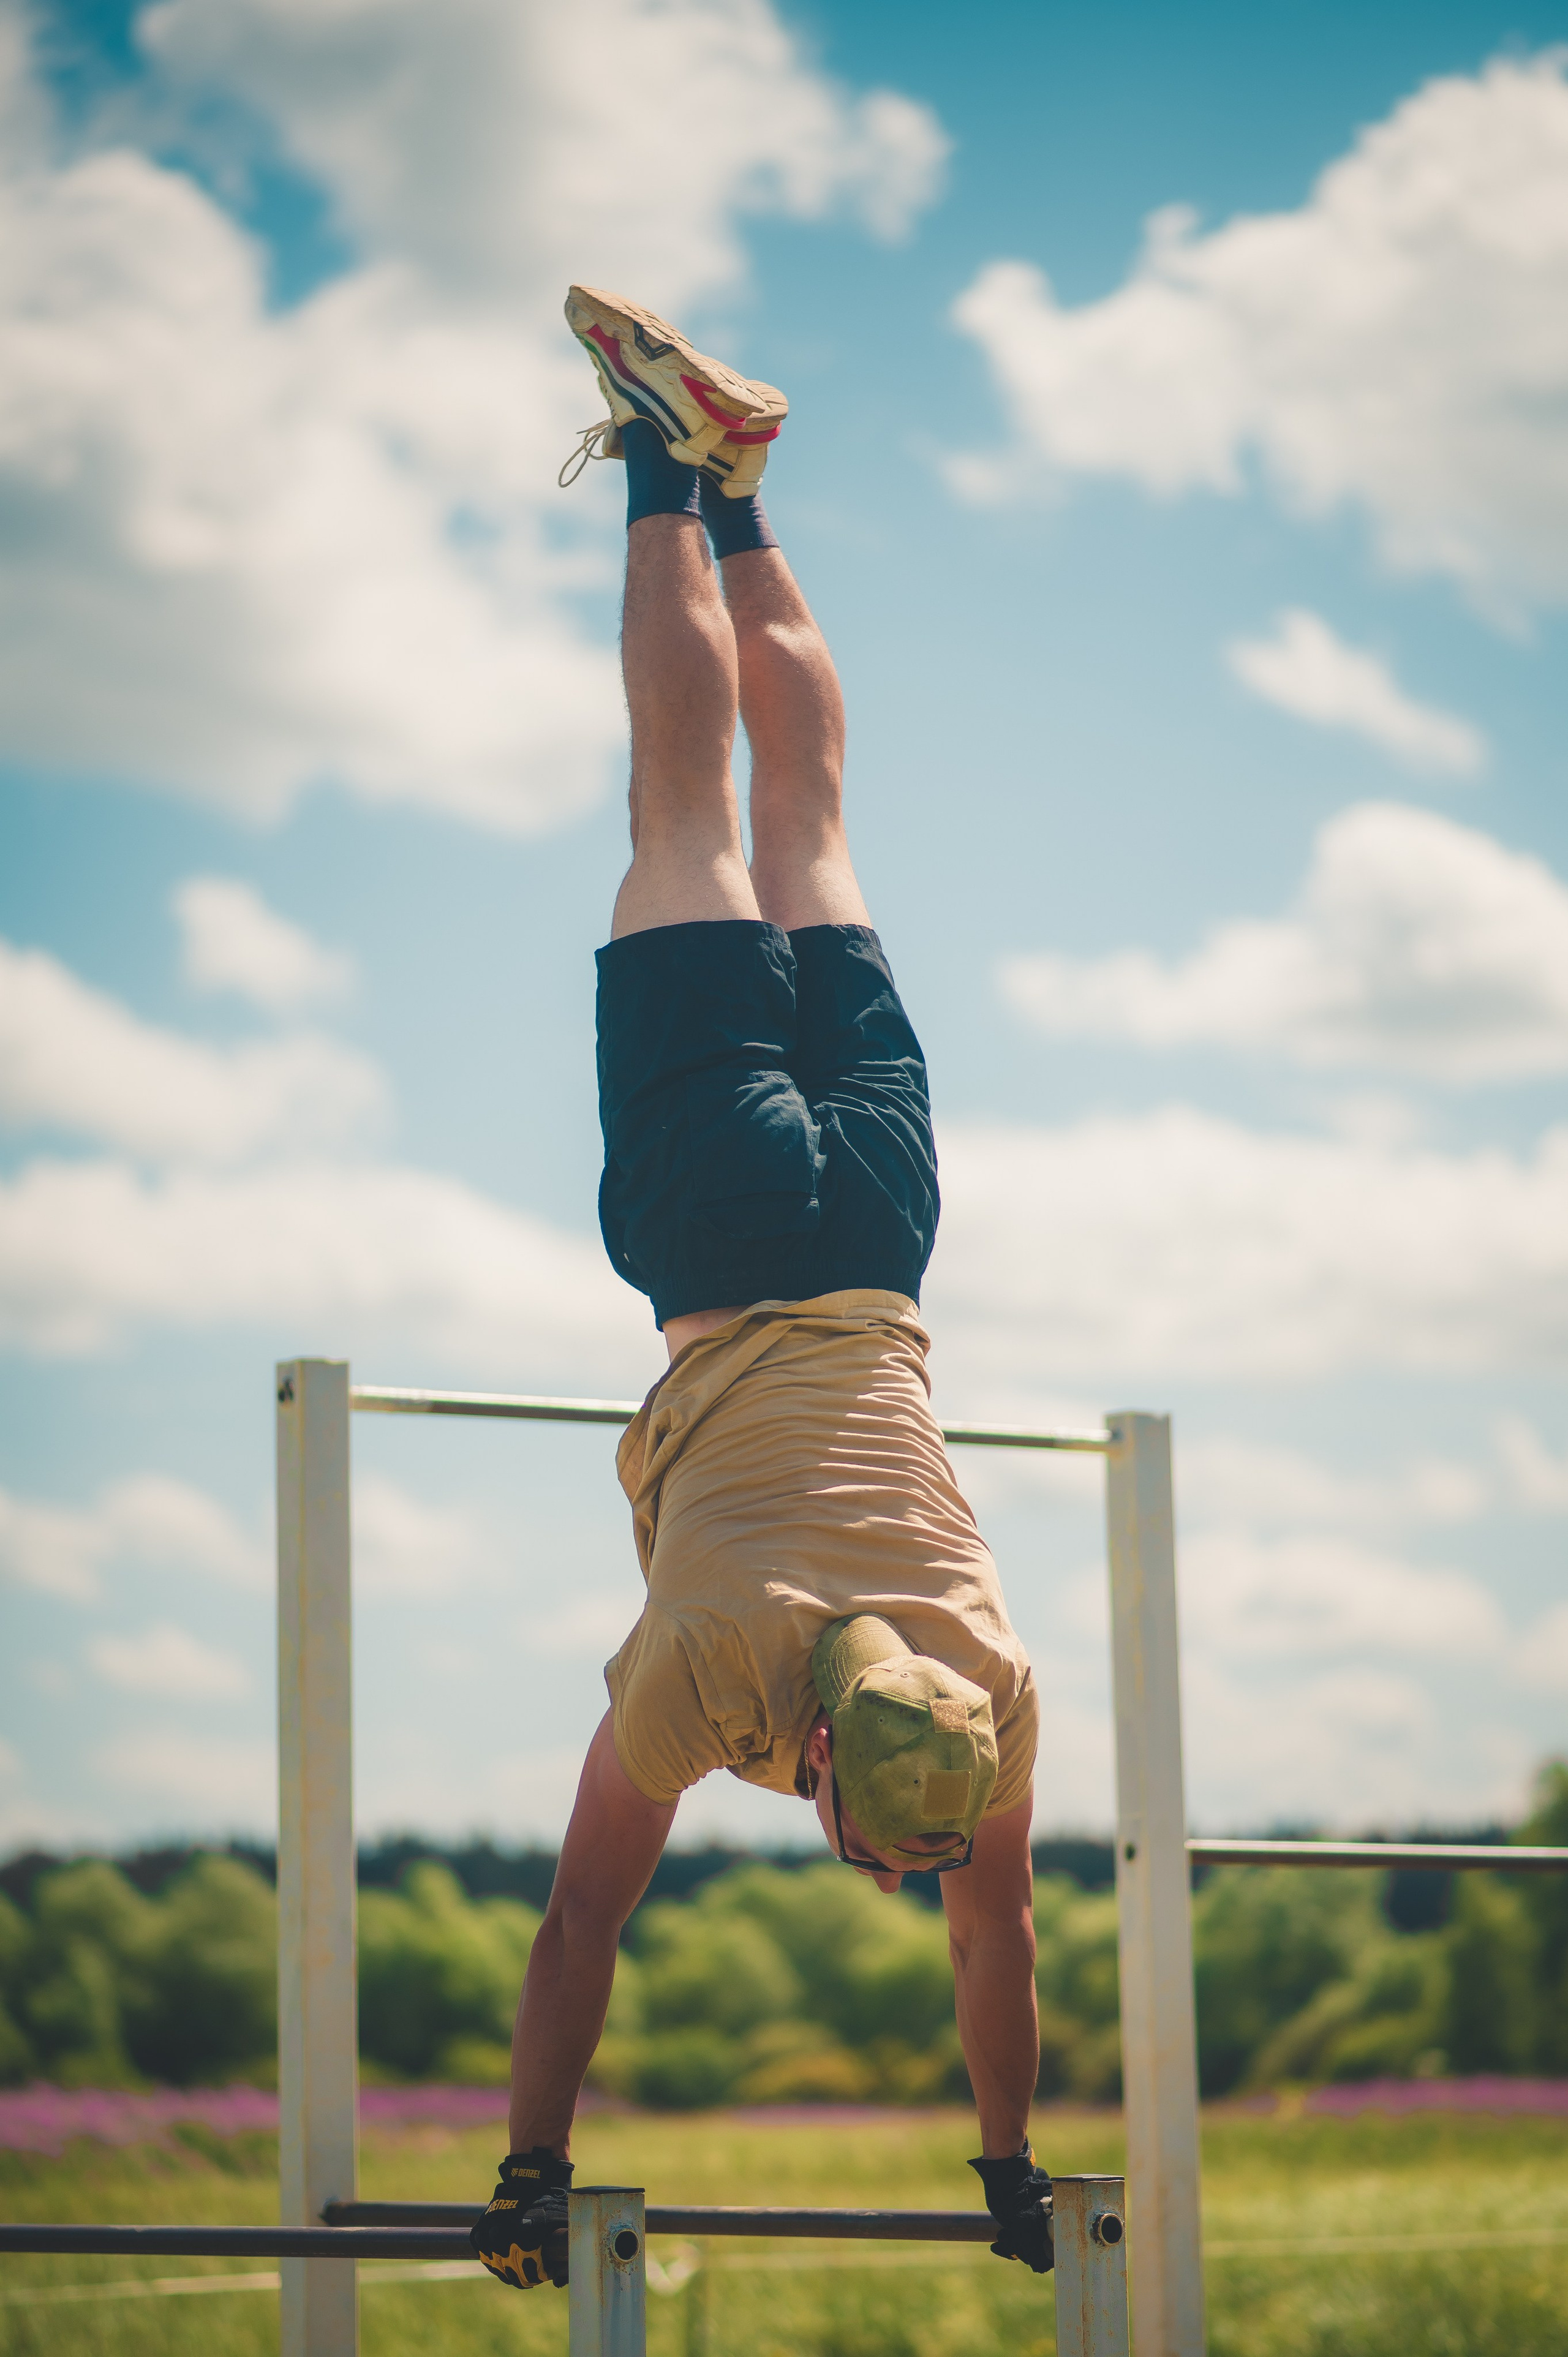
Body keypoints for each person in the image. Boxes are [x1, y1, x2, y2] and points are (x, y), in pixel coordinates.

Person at [471, 287, 1053, 2293]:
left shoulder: (991, 1679)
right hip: (723, 1238)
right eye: (905, 1862)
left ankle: (742, 487)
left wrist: (1010, 2160)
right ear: (840, 1798)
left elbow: (1009, 1932)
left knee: (811, 827)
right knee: (683, 809)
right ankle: (654, 452)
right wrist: (529, 2173)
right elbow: (576, 1927)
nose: (924, 1878)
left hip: (884, 1236)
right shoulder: (713, 1660)